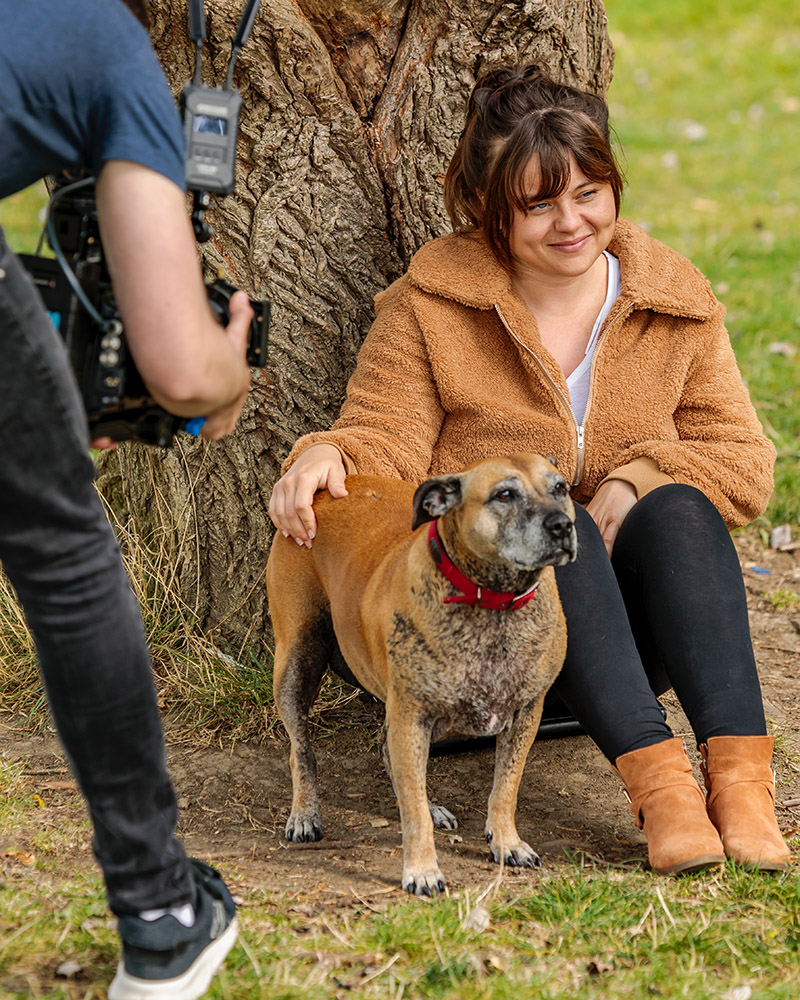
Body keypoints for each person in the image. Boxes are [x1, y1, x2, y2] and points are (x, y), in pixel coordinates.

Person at [269, 64, 791, 876]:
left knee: (678, 506)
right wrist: (326, 453)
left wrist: (637, 475)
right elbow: (386, 444)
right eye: (539, 203)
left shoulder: (673, 299)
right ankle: (664, 796)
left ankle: (740, 788)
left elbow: (745, 463)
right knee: (561, 520)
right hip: (465, 650)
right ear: (491, 212)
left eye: (587, 192)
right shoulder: (434, 307)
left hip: (627, 641)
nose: (571, 221)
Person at [0, 0, 252, 995]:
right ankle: (160, 912)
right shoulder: (106, 45)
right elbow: (183, 370)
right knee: (60, 547)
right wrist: (225, 377)